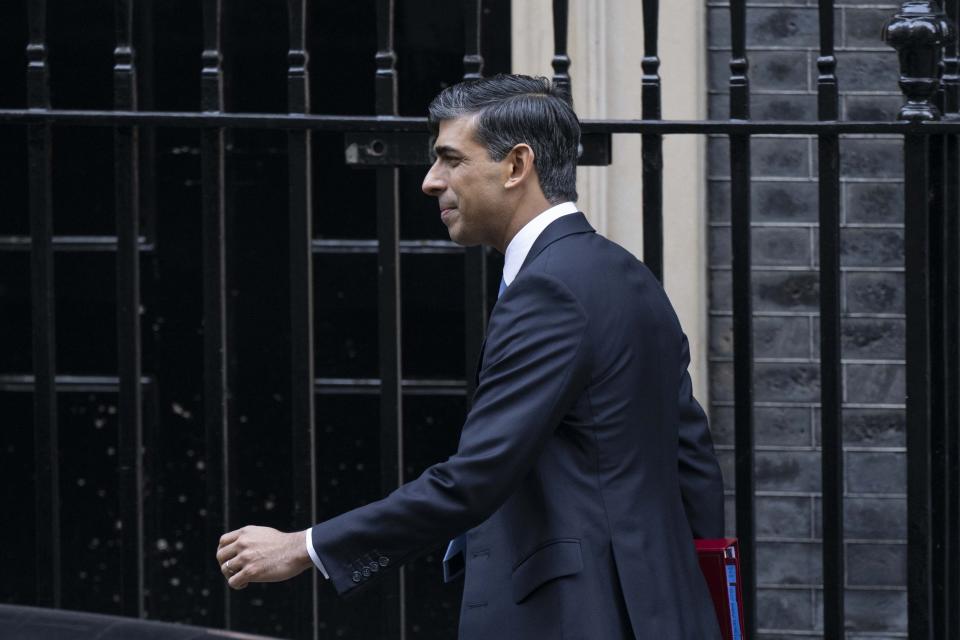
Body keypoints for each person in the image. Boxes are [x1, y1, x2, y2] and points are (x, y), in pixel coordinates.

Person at [215, 74, 724, 639]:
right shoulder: (625, 273)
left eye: (450, 159)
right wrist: (701, 599)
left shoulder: (550, 290)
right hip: (661, 609)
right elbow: (691, 457)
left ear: (515, 166)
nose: (432, 182)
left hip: (577, 615)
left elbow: (475, 478)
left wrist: (304, 547)